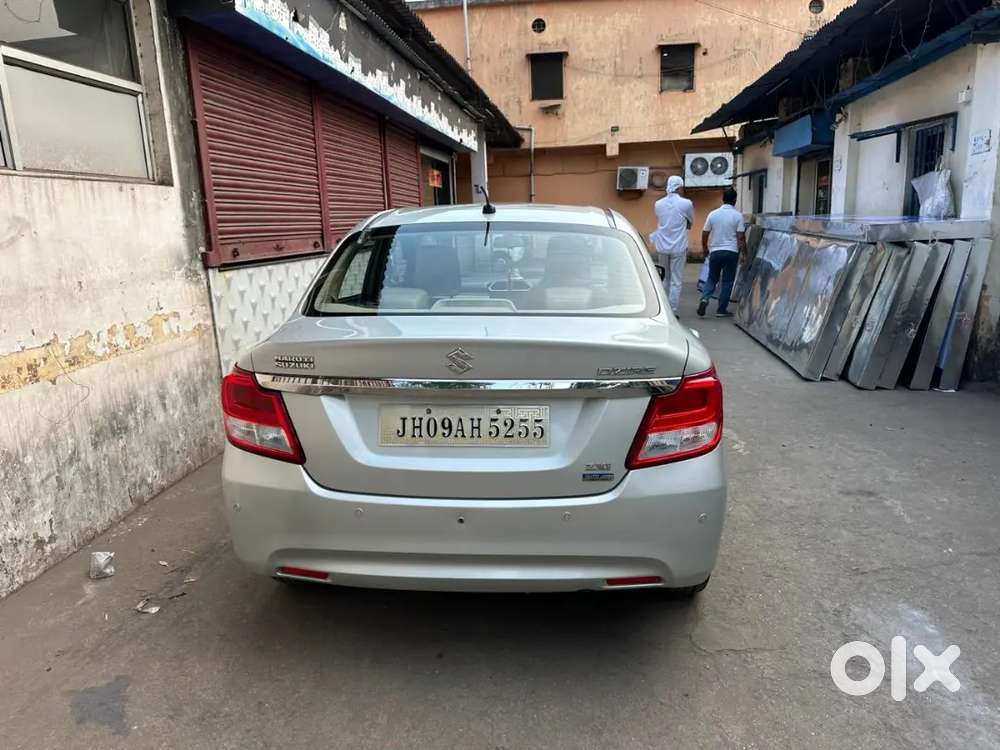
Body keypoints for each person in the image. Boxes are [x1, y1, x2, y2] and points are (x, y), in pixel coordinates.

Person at [648, 175, 694, 314]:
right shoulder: (686, 204)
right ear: (679, 187)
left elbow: (662, 221)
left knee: (664, 278)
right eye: (682, 187)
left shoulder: (658, 204)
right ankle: (672, 310)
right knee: (676, 280)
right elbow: (690, 223)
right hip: (679, 247)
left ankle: (662, 308)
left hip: (662, 246)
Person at [697, 187, 746, 318]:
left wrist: (705, 248)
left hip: (715, 251)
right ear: (735, 200)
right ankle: (721, 309)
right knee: (728, 281)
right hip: (731, 252)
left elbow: (705, 233)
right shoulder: (738, 216)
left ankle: (704, 299)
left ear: (723, 199)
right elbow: (740, 237)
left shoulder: (713, 214)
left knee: (712, 278)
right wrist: (744, 253)